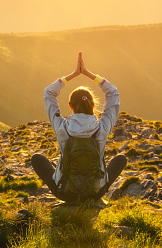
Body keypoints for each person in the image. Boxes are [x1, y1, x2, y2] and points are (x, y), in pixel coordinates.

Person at [31, 52, 127, 202]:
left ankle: (65, 189)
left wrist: (74, 74)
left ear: (70, 106)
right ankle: (96, 188)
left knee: (37, 159)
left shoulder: (62, 127)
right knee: (121, 159)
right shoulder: (102, 128)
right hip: (94, 193)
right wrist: (89, 74)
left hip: (65, 192)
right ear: (93, 105)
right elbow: (113, 93)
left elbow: (49, 92)